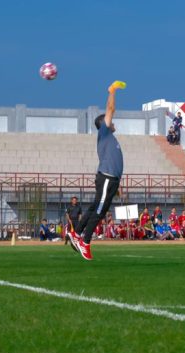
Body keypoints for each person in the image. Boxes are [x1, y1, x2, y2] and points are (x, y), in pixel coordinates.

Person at [69, 81, 125, 260]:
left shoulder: (110, 137)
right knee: (100, 211)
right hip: (107, 178)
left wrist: (118, 184)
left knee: (96, 207)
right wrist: (112, 91)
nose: (113, 122)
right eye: (110, 120)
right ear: (103, 123)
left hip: (111, 180)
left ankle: (76, 233)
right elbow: (110, 108)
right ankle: (85, 242)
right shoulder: (105, 131)